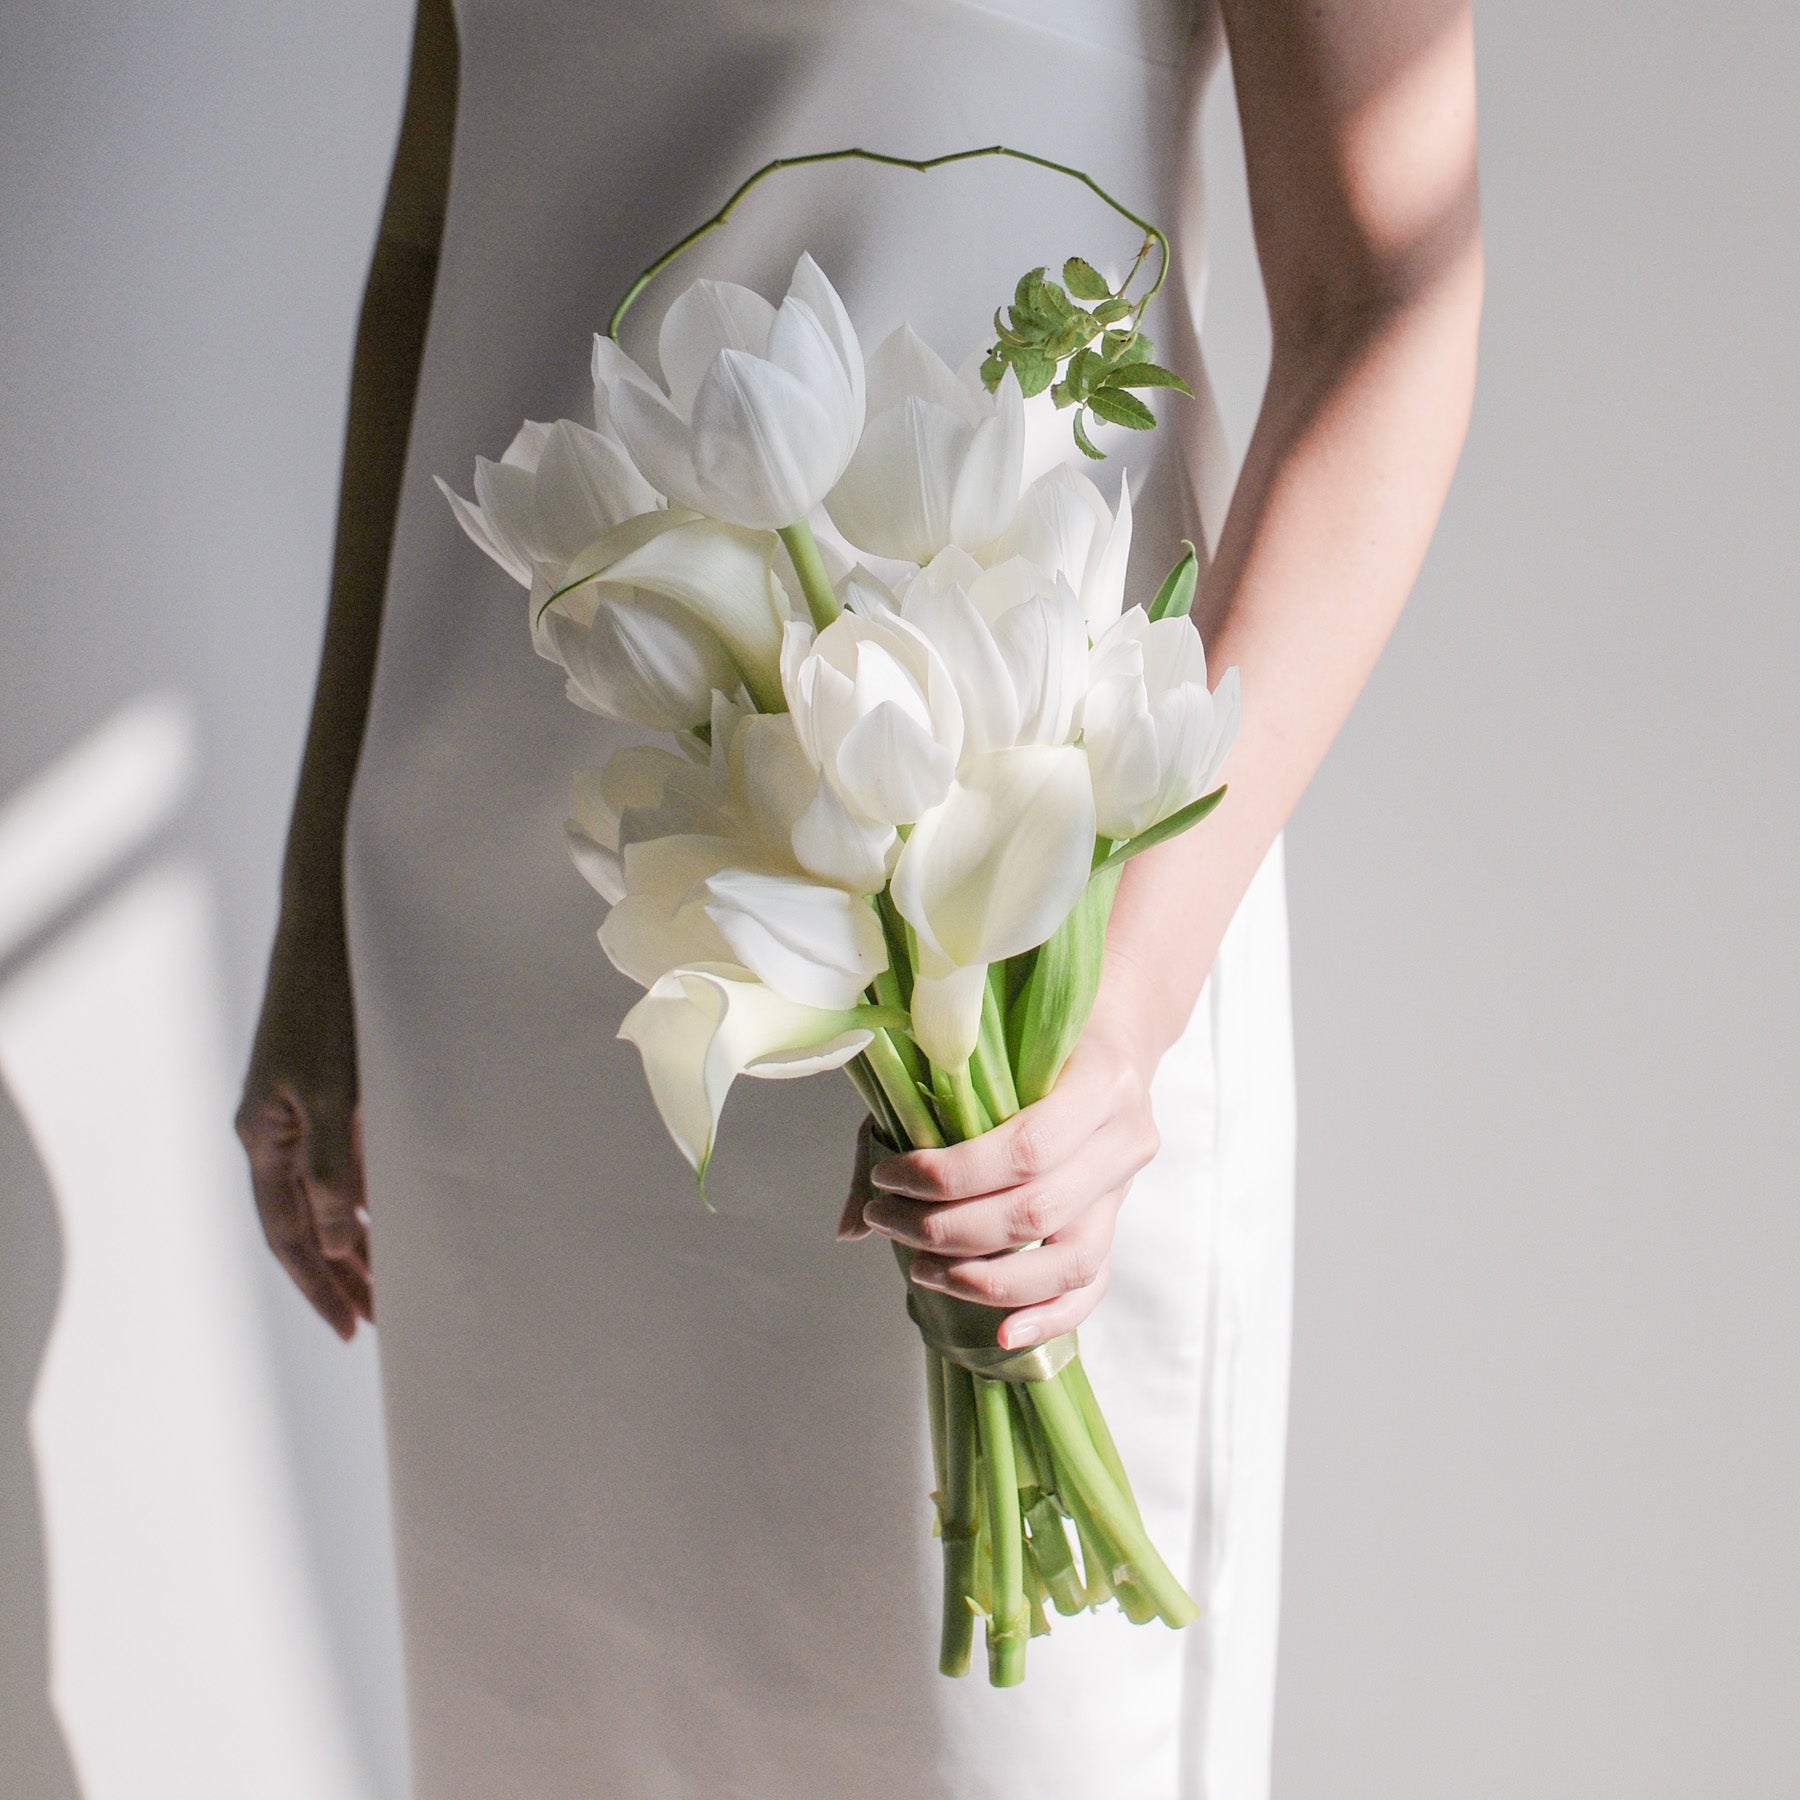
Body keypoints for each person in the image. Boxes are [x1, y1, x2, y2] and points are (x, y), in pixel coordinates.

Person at [238, 0, 1480, 1793]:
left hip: (1002, 932)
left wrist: (1118, 1013)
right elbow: (439, 240)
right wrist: (312, 909)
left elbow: (1390, 295)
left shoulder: (1074, 1008)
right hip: (509, 960)